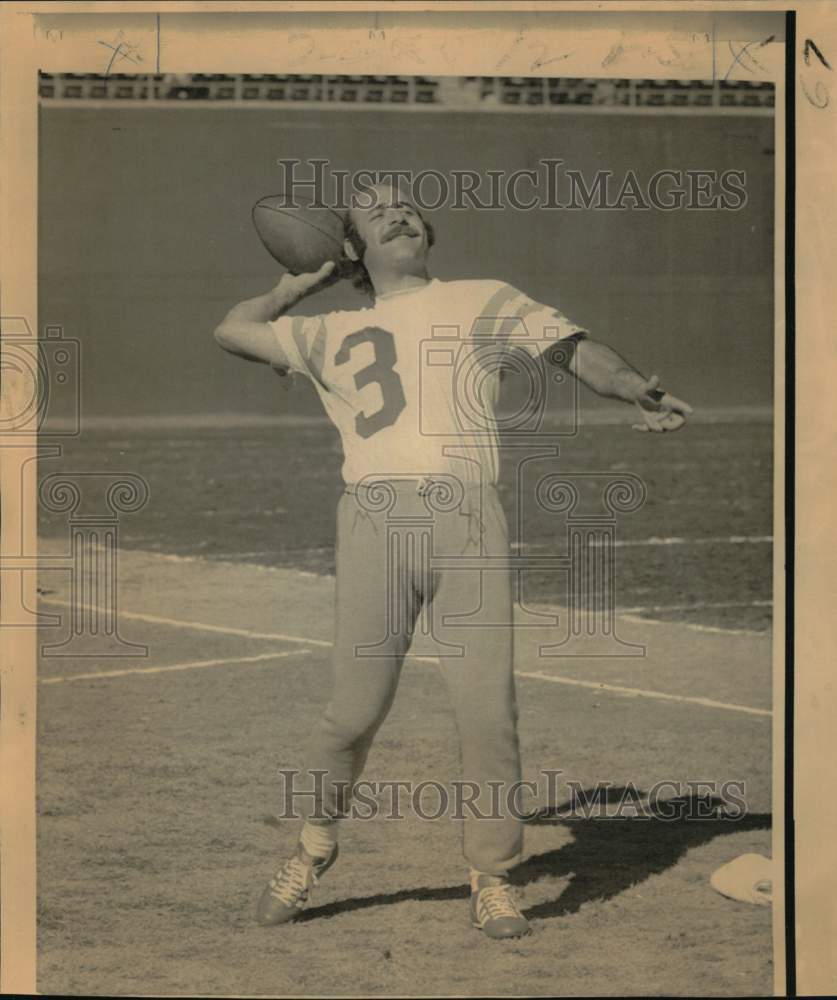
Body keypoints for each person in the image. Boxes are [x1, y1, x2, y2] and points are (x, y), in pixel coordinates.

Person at [214, 181, 692, 938]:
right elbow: (233, 330)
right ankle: (312, 847)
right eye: (374, 211)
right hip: (373, 523)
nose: (398, 212)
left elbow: (574, 351)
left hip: (466, 520)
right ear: (355, 248)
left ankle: (493, 877)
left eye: (406, 204)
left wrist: (632, 387)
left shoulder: (482, 298)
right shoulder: (330, 329)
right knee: (351, 714)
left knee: (485, 714)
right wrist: (298, 281)